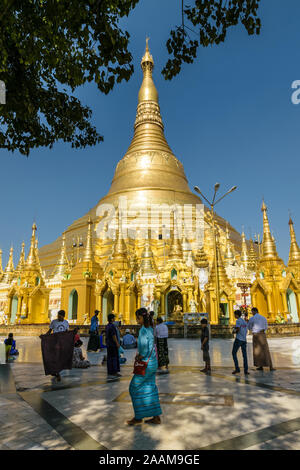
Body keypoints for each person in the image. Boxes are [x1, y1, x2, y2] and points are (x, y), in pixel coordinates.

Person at [127, 308, 162, 426]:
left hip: (146, 364)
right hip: (153, 362)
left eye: (138, 317)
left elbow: (144, 349)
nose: (137, 319)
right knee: (150, 387)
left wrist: (139, 356)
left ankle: (138, 417)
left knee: (133, 387)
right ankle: (156, 416)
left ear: (141, 318)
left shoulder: (143, 330)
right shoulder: (151, 329)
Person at [44, 309, 70, 382]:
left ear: (63, 316)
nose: (58, 317)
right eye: (58, 316)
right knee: (55, 357)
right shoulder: (54, 322)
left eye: (60, 316)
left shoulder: (66, 323)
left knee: (59, 358)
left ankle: (56, 372)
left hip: (62, 343)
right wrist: (44, 336)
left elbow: (67, 332)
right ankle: (56, 372)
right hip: (54, 342)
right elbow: (50, 331)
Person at [247, 307, 276, 371]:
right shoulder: (263, 318)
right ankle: (270, 366)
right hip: (262, 334)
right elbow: (266, 327)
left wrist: (252, 329)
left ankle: (260, 365)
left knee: (257, 351)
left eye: (252, 312)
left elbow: (249, 327)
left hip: (256, 335)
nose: (252, 313)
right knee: (265, 350)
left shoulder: (252, 318)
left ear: (254, 311)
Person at [232, 310, 249, 375]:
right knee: (244, 355)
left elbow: (238, 329)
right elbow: (245, 329)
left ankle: (237, 369)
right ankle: (246, 370)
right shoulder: (244, 321)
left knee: (233, 353)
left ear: (236, 315)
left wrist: (234, 331)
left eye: (235, 315)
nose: (234, 316)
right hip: (244, 340)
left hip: (238, 339)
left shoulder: (238, 320)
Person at [105, 313, 121, 379]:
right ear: (112, 319)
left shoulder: (107, 326)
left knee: (110, 358)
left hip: (109, 344)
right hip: (113, 344)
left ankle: (110, 371)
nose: (115, 319)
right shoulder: (112, 326)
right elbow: (113, 335)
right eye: (114, 318)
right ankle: (114, 371)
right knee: (114, 357)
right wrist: (117, 343)